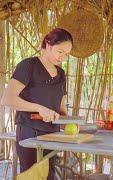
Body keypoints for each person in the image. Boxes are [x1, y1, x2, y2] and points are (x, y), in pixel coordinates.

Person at [1, 28, 73, 179]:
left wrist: (70, 123)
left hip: (53, 134)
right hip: (29, 132)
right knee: (32, 176)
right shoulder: (28, 66)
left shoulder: (61, 74)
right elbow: (7, 99)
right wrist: (39, 108)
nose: (63, 57)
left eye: (66, 54)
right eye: (60, 51)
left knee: (49, 176)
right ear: (48, 44)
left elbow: (61, 108)